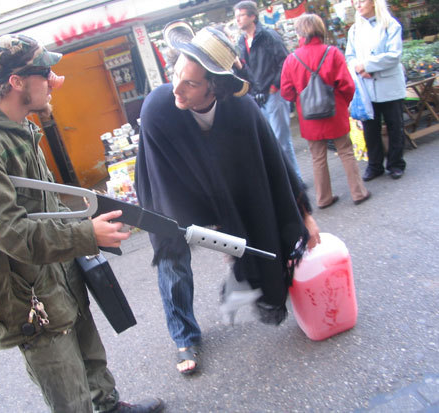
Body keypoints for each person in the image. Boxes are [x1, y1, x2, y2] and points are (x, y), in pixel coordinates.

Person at [0, 34, 164, 413]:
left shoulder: (22, 129)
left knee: (90, 356)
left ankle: (110, 406)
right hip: (29, 296)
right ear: (17, 81)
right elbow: (11, 233)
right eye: (45, 72)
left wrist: (83, 217)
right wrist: (87, 234)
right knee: (67, 390)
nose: (54, 80)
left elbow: (44, 206)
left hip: (59, 274)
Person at [135, 21, 320, 376]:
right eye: (175, 74)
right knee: (172, 254)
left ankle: (250, 278)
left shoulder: (242, 109)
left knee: (255, 233)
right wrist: (218, 225)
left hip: (225, 185)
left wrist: (305, 218)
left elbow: (274, 163)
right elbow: (173, 177)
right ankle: (184, 336)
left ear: (215, 87)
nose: (177, 87)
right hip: (169, 186)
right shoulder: (159, 107)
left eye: (190, 83)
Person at [280, 14, 371, 208]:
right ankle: (358, 192)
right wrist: (342, 104)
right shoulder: (333, 52)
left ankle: (323, 198)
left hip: (309, 116)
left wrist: (301, 99)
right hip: (334, 110)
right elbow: (347, 85)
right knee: (345, 151)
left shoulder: (291, 59)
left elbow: (286, 92)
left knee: (317, 157)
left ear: (300, 33)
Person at [233, 0, 303, 182]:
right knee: (270, 141)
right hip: (258, 96)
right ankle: (290, 180)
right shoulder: (241, 41)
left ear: (252, 16)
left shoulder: (269, 36)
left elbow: (285, 62)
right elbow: (247, 69)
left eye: (240, 15)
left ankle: (294, 181)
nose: (237, 20)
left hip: (273, 93)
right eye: (236, 16)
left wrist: (275, 85)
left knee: (282, 140)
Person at [345, 0, 407, 181]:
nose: (357, 5)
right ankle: (375, 165)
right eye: (354, 2)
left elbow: (394, 55)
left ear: (373, 3)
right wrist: (357, 68)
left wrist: (366, 66)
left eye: (361, 1)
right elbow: (349, 56)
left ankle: (396, 164)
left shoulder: (390, 24)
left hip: (389, 86)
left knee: (395, 125)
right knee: (370, 129)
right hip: (367, 88)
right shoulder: (354, 30)